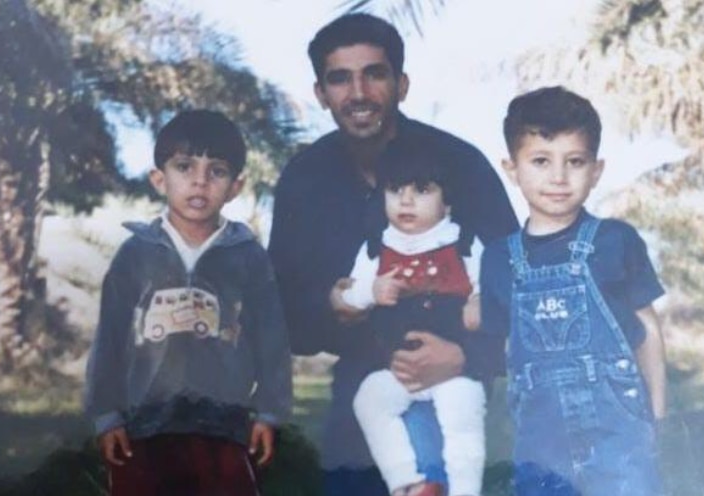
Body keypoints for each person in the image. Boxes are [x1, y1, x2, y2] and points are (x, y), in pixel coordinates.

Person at [268, 13, 518, 496]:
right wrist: (333, 306)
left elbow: (512, 282)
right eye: (340, 78)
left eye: (374, 74)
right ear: (321, 93)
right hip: (363, 379)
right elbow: (284, 308)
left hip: (455, 368)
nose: (357, 92)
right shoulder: (304, 179)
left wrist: (465, 357)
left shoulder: (458, 163)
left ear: (401, 84)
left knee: (439, 477)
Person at [85, 110, 293, 496]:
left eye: (216, 171)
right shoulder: (136, 254)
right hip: (145, 424)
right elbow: (110, 338)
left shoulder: (248, 256)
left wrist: (269, 411)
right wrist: (106, 415)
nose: (200, 181)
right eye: (185, 167)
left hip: (225, 425)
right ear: (159, 179)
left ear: (235, 186)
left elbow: (273, 340)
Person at [480, 86, 667, 496]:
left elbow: (647, 328)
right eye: (541, 161)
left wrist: (656, 413)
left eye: (575, 161)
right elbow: (508, 348)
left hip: (619, 435)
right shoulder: (497, 261)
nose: (558, 178)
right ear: (512, 169)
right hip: (540, 444)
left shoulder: (616, 241)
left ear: (596, 170)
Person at [346, 139, 490, 496]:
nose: (406, 201)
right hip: (400, 368)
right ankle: (405, 482)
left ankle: (465, 490)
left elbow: (492, 293)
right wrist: (371, 290)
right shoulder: (376, 248)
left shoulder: (465, 244)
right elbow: (351, 295)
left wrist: (479, 303)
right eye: (396, 190)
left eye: (422, 190)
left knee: (462, 414)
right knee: (369, 399)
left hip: (454, 367)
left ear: (448, 200)